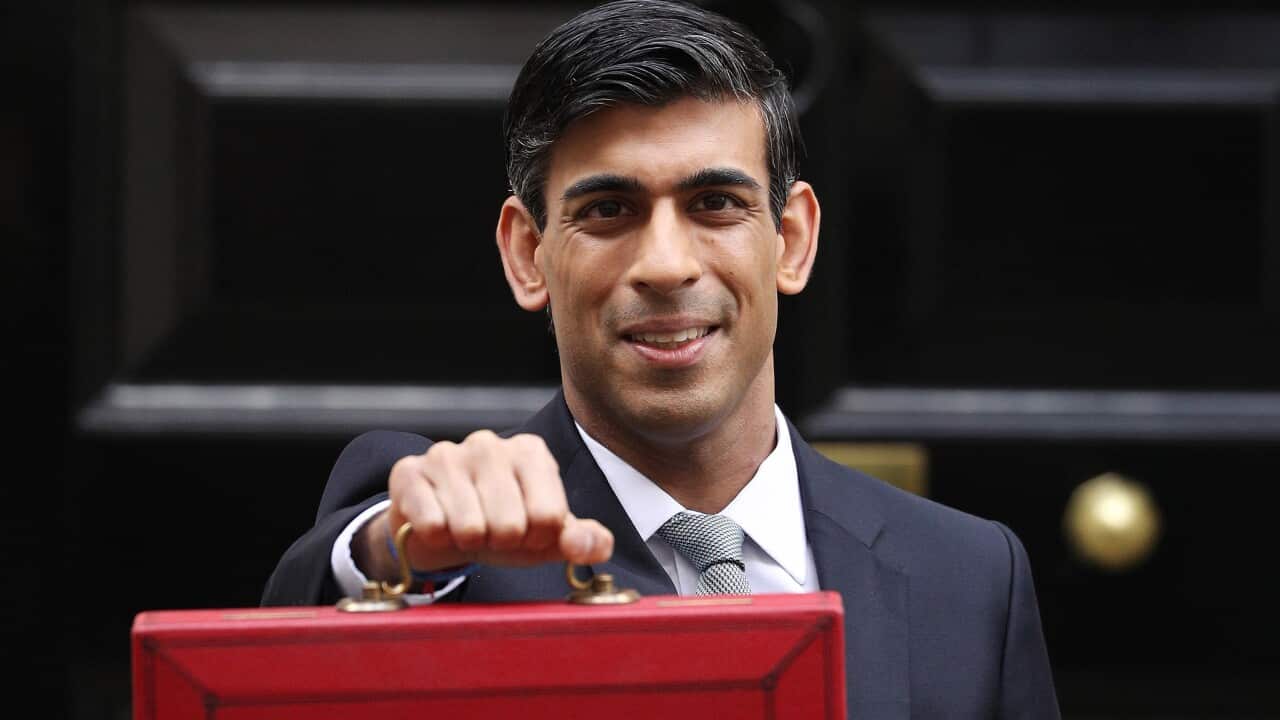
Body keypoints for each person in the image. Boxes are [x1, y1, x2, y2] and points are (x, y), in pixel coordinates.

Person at [263, 1, 1059, 716]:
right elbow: (293, 625)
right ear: (528, 255)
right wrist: (396, 550)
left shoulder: (971, 575)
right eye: (609, 211)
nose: (667, 264)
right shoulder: (444, 543)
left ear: (792, 240)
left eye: (715, 204)